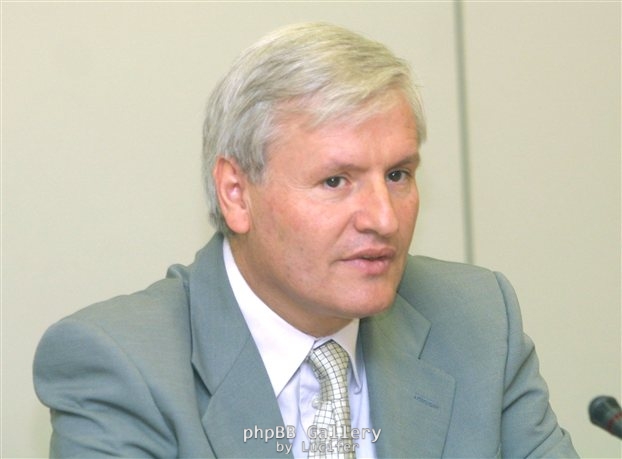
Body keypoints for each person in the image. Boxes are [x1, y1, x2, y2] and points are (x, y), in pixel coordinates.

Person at [33, 22, 578, 458]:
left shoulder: (478, 321)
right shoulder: (121, 365)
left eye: (398, 175)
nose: (384, 219)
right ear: (236, 194)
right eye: (335, 181)